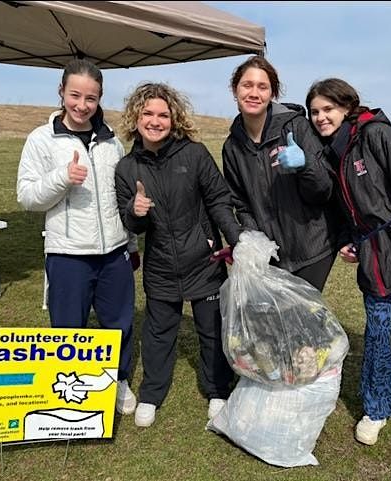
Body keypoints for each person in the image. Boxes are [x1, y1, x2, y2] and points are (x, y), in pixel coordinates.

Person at [305, 78, 391, 458]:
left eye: (328, 109)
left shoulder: (377, 136)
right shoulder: (333, 152)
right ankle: (378, 407)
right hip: (376, 257)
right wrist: (349, 239)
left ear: (347, 107)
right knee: (378, 334)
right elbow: (348, 208)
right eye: (314, 112)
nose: (321, 117)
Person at [115, 82, 242, 427]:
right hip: (160, 266)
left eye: (163, 115)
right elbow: (133, 226)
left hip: (204, 261)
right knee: (158, 333)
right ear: (136, 117)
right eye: (148, 114)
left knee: (212, 330)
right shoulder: (127, 168)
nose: (155, 121)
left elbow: (218, 199)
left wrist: (236, 240)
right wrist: (135, 211)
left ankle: (217, 390)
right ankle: (152, 394)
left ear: (174, 119)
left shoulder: (194, 154)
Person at [17, 59, 138, 416]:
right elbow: (26, 197)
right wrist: (62, 178)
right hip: (68, 253)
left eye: (91, 98)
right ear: (61, 92)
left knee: (119, 323)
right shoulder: (41, 139)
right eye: (75, 96)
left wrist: (131, 244)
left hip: (114, 251)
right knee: (69, 329)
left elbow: (121, 197)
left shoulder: (112, 141)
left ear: (99, 98)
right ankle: (71, 389)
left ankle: (118, 379)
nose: (82, 105)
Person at [222, 56, 336, 292]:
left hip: (312, 249)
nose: (254, 93)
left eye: (262, 87)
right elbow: (241, 204)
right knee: (276, 314)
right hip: (271, 255)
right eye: (247, 85)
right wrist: (253, 242)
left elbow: (323, 191)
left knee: (302, 311)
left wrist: (306, 165)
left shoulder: (296, 127)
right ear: (235, 90)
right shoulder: (232, 147)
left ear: (272, 93)